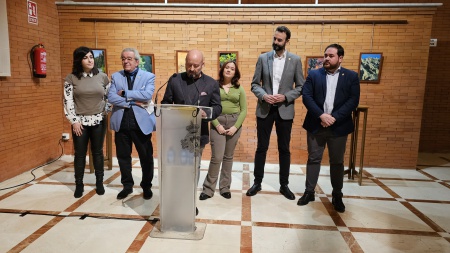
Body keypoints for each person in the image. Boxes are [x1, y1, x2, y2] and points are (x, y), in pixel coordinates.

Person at [298, 44, 360, 213]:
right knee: (313, 159)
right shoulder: (313, 74)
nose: (326, 58)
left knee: (337, 162)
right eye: (325, 55)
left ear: (340, 58)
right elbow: (307, 97)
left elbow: (353, 101)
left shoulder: (351, 76)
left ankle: (337, 195)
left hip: (339, 126)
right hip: (315, 124)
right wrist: (321, 115)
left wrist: (333, 118)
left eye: (330, 55)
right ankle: (309, 192)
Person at [247, 26, 304, 200]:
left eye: (279, 40)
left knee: (284, 149)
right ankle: (257, 182)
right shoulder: (263, 58)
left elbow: (301, 87)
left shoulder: (295, 60)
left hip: (285, 110)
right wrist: (264, 96)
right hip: (265, 109)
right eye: (274, 39)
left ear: (287, 41)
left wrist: (285, 97)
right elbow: (254, 84)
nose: (276, 43)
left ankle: (284, 185)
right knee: (261, 148)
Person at [161, 49, 222, 214]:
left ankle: (188, 202)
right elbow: (165, 103)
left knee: (192, 169)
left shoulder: (211, 83)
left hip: (197, 134)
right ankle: (175, 200)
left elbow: (217, 108)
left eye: (196, 65)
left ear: (203, 64)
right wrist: (172, 111)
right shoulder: (175, 80)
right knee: (177, 168)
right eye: (189, 65)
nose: (192, 68)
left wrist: (206, 113)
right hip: (175, 134)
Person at [108, 48, 156, 200]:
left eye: (129, 58)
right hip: (121, 124)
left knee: (146, 157)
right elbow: (111, 97)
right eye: (123, 58)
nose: (125, 61)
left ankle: (146, 186)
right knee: (123, 157)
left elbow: (147, 95)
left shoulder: (148, 76)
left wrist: (125, 94)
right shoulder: (116, 76)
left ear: (136, 61)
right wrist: (133, 101)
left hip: (141, 124)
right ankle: (127, 186)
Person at [63, 46, 110, 198]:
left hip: (98, 120)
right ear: (79, 60)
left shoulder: (102, 76)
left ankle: (99, 183)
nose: (90, 60)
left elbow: (109, 97)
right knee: (80, 154)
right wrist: (74, 121)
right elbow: (68, 101)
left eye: (91, 57)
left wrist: (105, 111)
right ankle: (79, 185)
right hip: (80, 123)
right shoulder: (71, 78)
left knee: (98, 152)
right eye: (85, 57)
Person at [199, 61, 247, 200]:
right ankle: (208, 189)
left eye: (232, 69)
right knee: (217, 157)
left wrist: (235, 127)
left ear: (235, 72)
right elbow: (208, 107)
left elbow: (244, 110)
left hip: (234, 123)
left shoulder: (239, 88)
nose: (229, 70)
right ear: (222, 69)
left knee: (228, 157)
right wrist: (217, 124)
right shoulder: (214, 86)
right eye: (227, 67)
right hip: (217, 121)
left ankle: (225, 187)